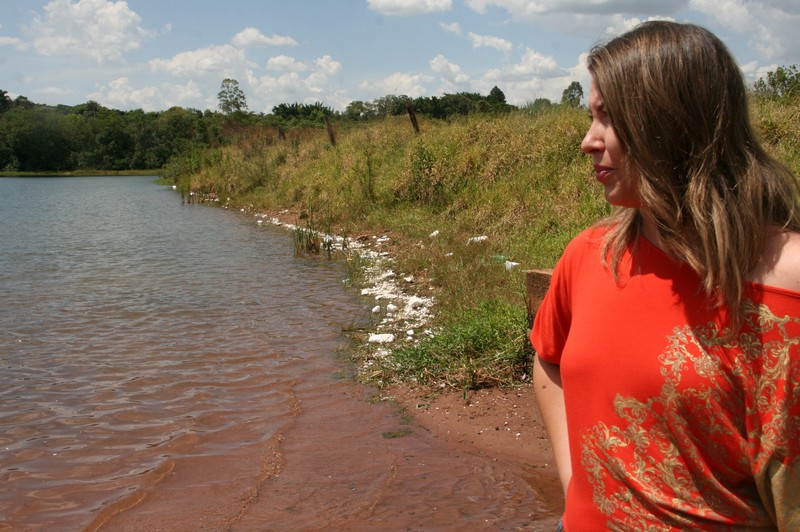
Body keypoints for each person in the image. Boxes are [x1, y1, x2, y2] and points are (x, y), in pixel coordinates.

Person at [531, 20, 800, 531]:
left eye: (607, 119)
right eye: (591, 117)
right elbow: (548, 359)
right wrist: (575, 483)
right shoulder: (590, 256)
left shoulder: (783, 294)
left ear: (667, 123)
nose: (588, 142)